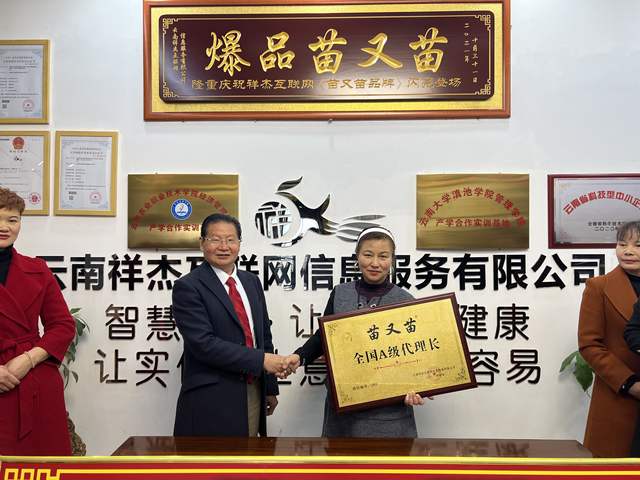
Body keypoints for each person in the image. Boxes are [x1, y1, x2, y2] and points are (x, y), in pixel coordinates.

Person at [282, 227, 424, 438]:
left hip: (390, 416)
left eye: (383, 256)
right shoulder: (341, 293)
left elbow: (416, 355)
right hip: (342, 413)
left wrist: (418, 385)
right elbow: (324, 337)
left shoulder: (406, 301)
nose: (375, 263)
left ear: (392, 260)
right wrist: (300, 356)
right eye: (368, 255)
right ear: (357, 256)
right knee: (339, 460)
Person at [172, 213, 287, 437]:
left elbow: (263, 336)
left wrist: (270, 387)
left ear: (239, 244)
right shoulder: (188, 286)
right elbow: (203, 344)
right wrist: (262, 361)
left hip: (252, 391)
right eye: (215, 239)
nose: (224, 247)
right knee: (213, 459)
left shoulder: (251, 282)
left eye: (231, 240)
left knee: (248, 457)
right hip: (210, 398)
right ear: (202, 243)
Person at [0, 187, 75, 455]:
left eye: (12, 219)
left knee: (41, 465)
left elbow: (63, 325)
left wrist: (28, 359)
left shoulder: (38, 270)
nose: (4, 227)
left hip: (33, 380)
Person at [578, 220, 640, 457]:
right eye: (622, 244)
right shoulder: (599, 287)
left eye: (638, 245)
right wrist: (630, 384)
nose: (628, 251)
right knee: (616, 467)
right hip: (619, 397)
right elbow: (589, 344)